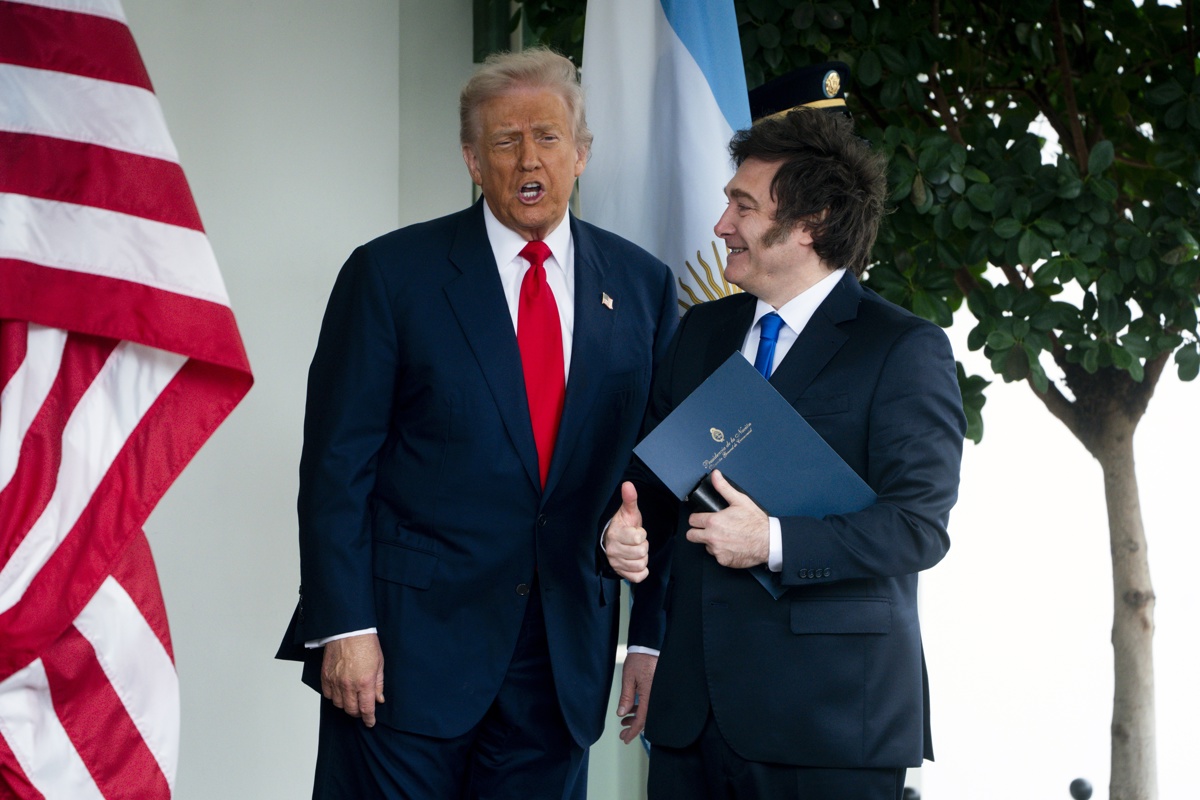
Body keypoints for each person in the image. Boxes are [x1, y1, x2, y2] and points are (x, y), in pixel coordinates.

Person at [276, 47, 678, 799]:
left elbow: (659, 474)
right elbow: (336, 465)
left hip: (561, 666)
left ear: (582, 153)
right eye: (505, 140)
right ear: (472, 158)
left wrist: (650, 626)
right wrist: (344, 626)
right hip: (402, 657)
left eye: (549, 137)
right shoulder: (391, 276)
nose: (529, 158)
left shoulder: (644, 287)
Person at [604, 89, 967, 798]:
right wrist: (623, 532)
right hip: (690, 719)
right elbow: (649, 485)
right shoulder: (702, 334)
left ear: (811, 221)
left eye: (743, 206)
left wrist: (771, 540)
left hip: (829, 723)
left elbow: (917, 527)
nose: (721, 225)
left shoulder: (903, 349)